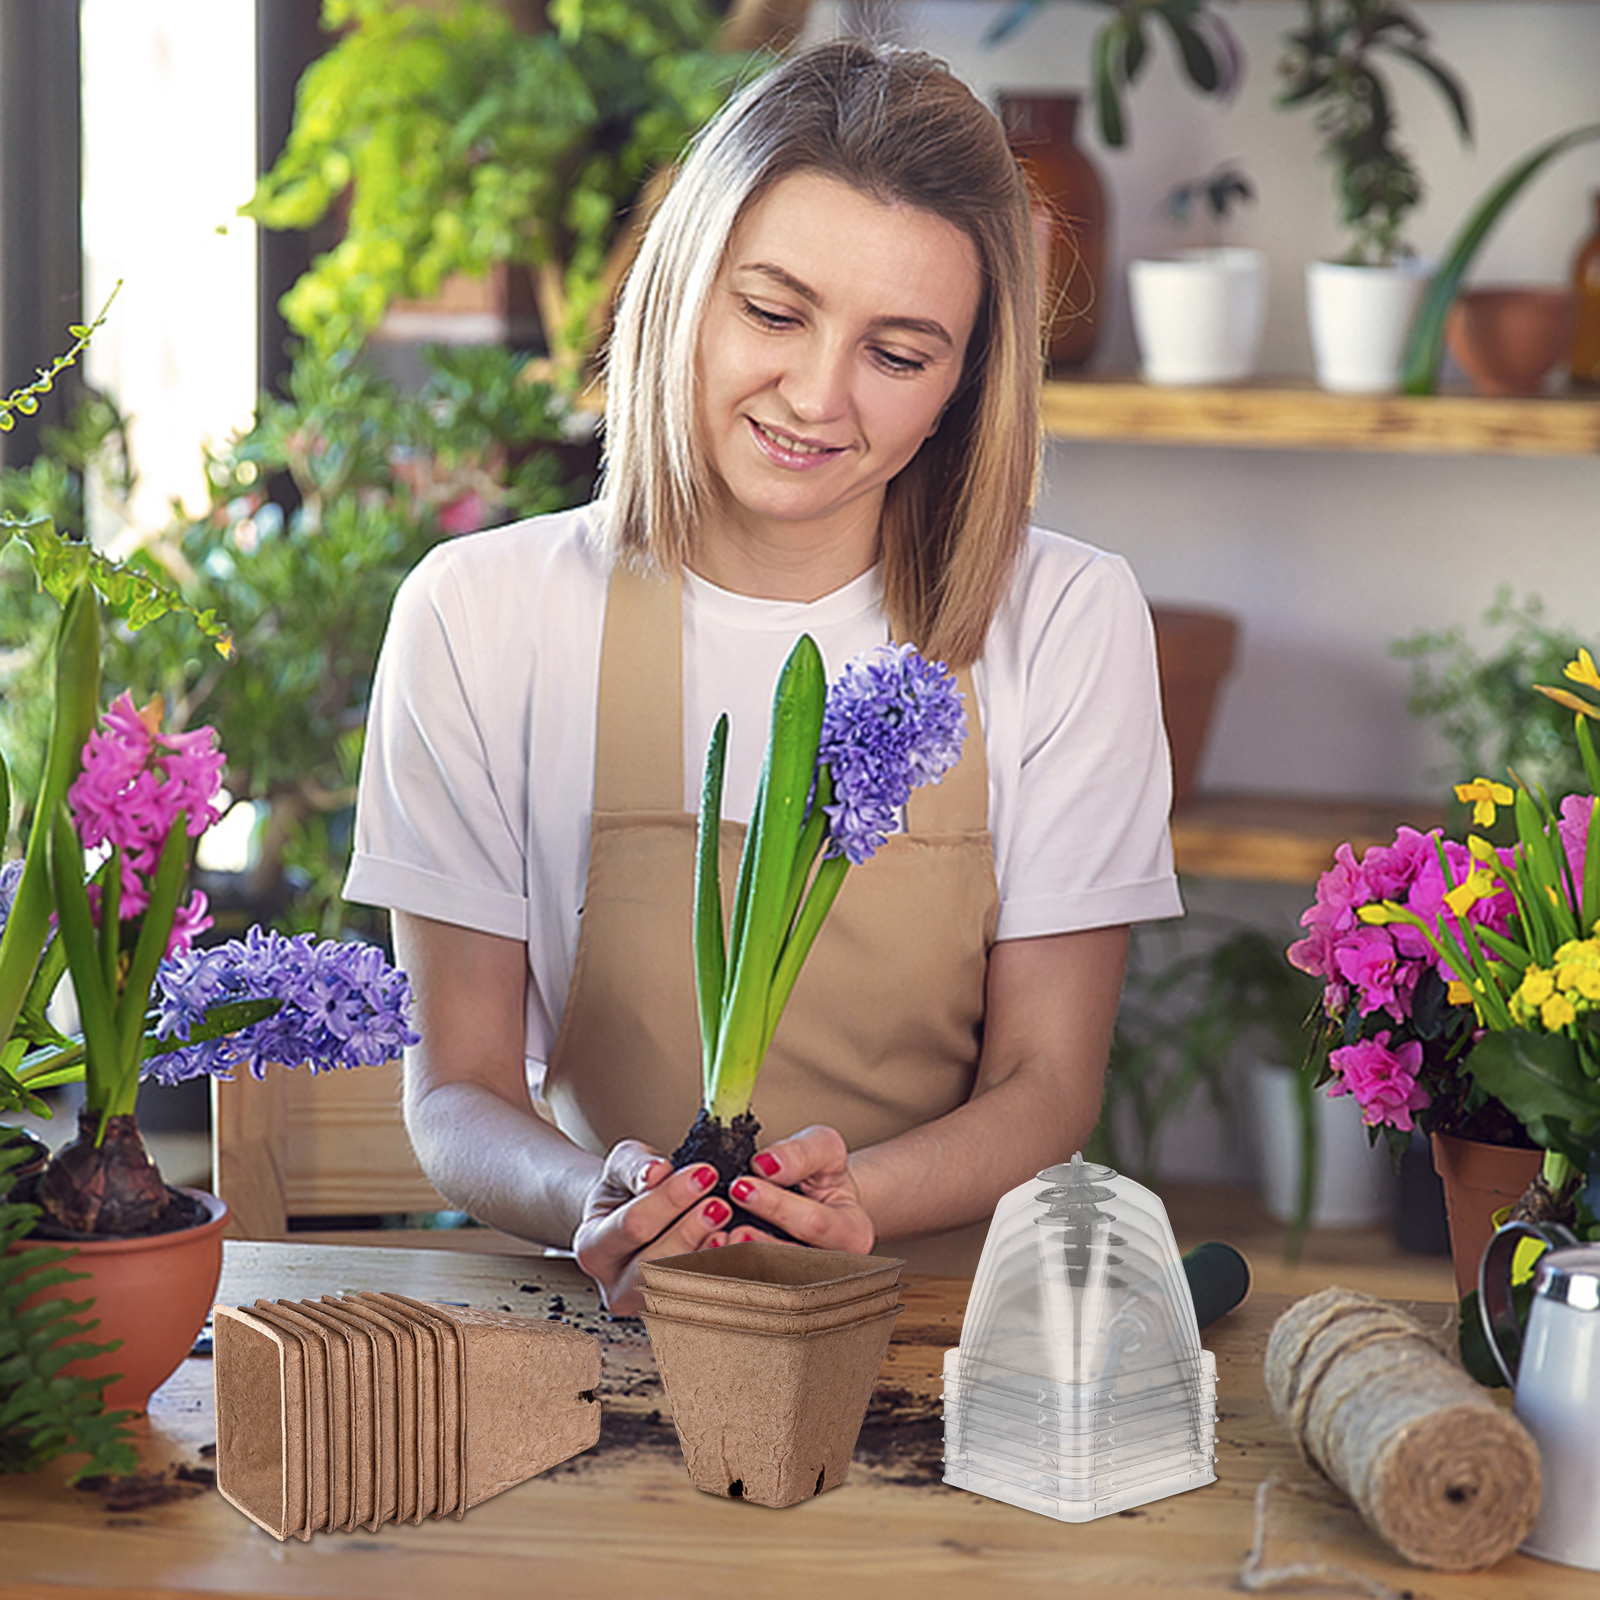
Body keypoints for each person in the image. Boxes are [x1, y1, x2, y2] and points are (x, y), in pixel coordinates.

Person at [344, 37, 1182, 1313]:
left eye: (897, 354)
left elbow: (1046, 1083)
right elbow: (457, 1089)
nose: (815, 395)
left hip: (935, 1330)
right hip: (615, 1314)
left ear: (963, 387)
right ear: (683, 289)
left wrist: (851, 1201)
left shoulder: (1066, 618)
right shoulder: (480, 615)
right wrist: (597, 1201)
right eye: (774, 313)